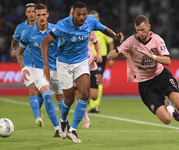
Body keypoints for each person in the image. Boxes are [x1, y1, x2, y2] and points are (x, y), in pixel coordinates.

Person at [41, 2, 124, 143]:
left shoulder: (90, 21)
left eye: (84, 14)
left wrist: (115, 36)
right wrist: (46, 66)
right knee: (69, 99)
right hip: (64, 64)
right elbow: (44, 43)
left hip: (81, 62)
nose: (81, 17)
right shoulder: (62, 25)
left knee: (84, 94)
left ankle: (73, 130)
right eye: (78, 14)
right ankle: (63, 120)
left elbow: (104, 29)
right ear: (72, 14)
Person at [107, 15, 179, 141]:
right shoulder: (130, 41)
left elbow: (167, 61)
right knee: (166, 120)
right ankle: (169, 109)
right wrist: (118, 54)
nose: (140, 33)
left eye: (143, 30)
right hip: (146, 84)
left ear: (149, 26)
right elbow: (109, 56)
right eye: (138, 30)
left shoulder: (157, 39)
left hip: (161, 76)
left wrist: (152, 56)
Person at [16, 3, 67, 137]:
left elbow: (64, 47)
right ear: (35, 16)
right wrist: (23, 69)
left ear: (48, 15)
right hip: (38, 70)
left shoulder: (56, 30)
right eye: (38, 15)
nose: (41, 17)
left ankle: (64, 123)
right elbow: (19, 52)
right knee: (48, 96)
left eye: (44, 14)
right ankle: (57, 129)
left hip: (56, 69)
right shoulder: (28, 32)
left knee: (61, 98)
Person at [11, 3, 44, 127]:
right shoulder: (21, 27)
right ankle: (37, 118)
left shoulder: (42, 26)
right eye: (28, 12)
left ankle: (39, 108)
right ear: (26, 13)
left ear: (36, 13)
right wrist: (13, 50)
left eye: (33, 12)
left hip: (40, 63)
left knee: (41, 92)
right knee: (32, 89)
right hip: (27, 62)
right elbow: (14, 40)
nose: (31, 14)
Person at [69, 7, 102, 128]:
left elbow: (95, 42)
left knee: (93, 96)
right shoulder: (67, 29)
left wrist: (98, 54)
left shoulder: (88, 28)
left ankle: (84, 103)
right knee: (80, 94)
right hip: (77, 66)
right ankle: (86, 119)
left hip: (91, 65)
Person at [87, 10, 115, 113]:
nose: (94, 19)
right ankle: (90, 105)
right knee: (87, 81)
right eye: (92, 17)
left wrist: (111, 58)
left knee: (98, 79)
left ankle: (95, 105)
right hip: (87, 58)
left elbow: (110, 43)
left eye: (95, 17)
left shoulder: (103, 29)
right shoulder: (87, 29)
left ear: (98, 18)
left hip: (100, 57)